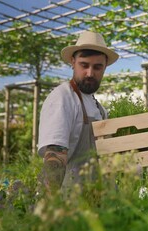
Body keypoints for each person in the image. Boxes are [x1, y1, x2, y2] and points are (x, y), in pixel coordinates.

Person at [38, 31, 119, 193]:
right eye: (84, 65)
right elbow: (55, 155)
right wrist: (50, 206)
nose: (90, 73)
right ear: (72, 62)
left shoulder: (99, 108)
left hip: (96, 199)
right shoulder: (63, 98)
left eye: (97, 67)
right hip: (71, 203)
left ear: (105, 68)